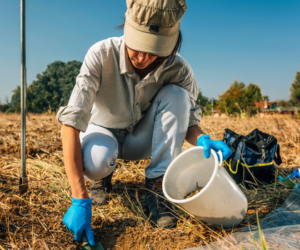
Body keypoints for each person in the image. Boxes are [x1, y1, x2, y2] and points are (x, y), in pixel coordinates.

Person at [56, 0, 231, 246]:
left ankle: (158, 185)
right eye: (137, 47)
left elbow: (187, 121)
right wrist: (79, 198)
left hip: (141, 137)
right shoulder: (100, 54)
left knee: (177, 95)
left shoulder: (179, 70)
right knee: (97, 162)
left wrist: (202, 138)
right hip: (103, 131)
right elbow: (71, 124)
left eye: (153, 50)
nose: (142, 57)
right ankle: (102, 178)